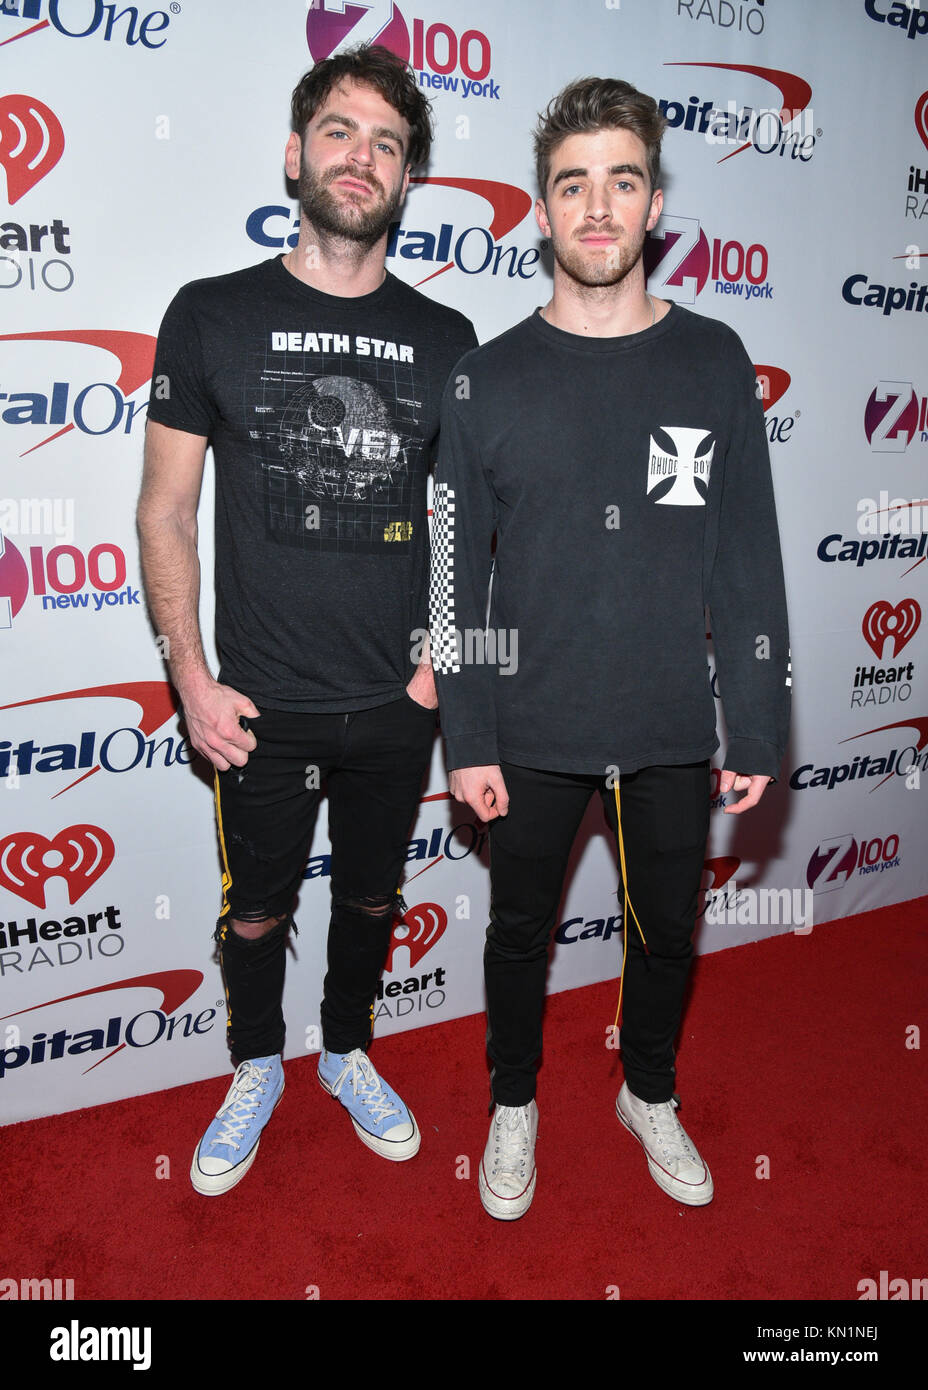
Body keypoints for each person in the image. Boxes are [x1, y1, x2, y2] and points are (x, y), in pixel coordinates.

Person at [429, 77, 790, 1220]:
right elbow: (453, 575)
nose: (597, 206)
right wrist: (468, 736)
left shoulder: (714, 358)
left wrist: (760, 716)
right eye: (572, 184)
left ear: (653, 205)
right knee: (520, 934)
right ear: (541, 210)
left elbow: (746, 558)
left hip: (669, 725)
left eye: (620, 180)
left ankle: (647, 1090)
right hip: (526, 730)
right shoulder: (486, 376)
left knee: (666, 933)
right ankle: (514, 1100)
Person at [138, 44, 477, 1196]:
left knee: (376, 895)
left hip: (397, 702)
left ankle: (344, 1050)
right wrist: (187, 671)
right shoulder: (209, 315)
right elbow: (167, 511)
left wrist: (443, 661)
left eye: (387, 143)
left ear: (407, 178)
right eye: (340, 131)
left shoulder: (448, 340)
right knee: (258, 908)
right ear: (295, 153)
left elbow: (465, 519)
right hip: (257, 703)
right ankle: (254, 1063)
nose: (361, 156)